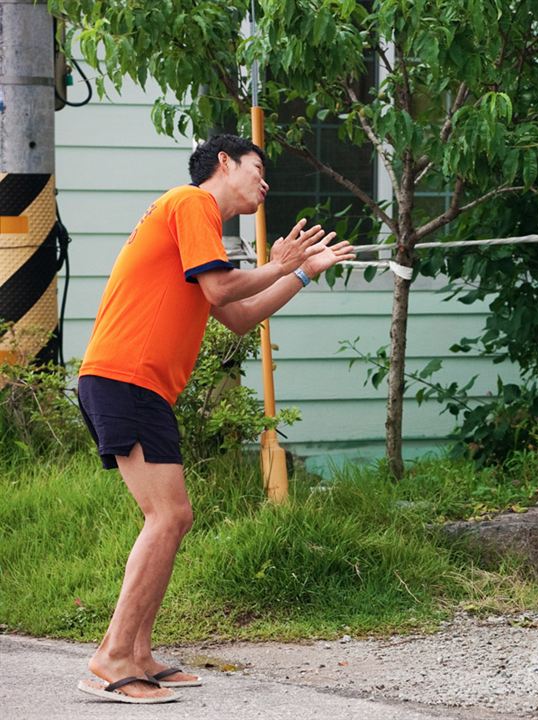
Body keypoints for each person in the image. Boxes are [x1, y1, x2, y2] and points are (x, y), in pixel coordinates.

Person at [74, 135, 355, 703]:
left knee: (171, 517)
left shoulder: (198, 225)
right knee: (170, 516)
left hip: (136, 383)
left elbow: (238, 314)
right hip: (126, 377)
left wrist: (299, 275)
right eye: (258, 168)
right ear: (224, 163)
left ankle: (139, 654)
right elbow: (224, 285)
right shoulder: (191, 202)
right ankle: (111, 657)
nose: (266, 182)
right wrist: (279, 262)